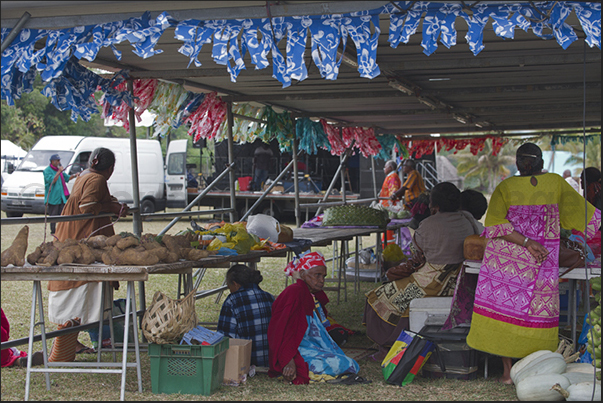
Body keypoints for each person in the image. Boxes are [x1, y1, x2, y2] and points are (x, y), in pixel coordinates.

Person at [466, 143, 601, 385]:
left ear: (517, 163)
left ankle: (508, 373)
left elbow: (494, 225)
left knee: (504, 313)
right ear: (541, 163)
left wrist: (525, 241)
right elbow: (583, 215)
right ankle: (532, 371)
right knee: (538, 316)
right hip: (542, 258)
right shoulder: (556, 183)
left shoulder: (506, 187)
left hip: (507, 260)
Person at [364, 182, 481, 361]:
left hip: (428, 283)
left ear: (434, 205)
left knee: (379, 296)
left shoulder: (427, 224)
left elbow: (417, 252)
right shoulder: (468, 221)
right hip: (459, 283)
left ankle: (388, 347)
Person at [49, 147, 129, 361]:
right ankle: (62, 350)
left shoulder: (85, 175)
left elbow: (93, 203)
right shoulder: (96, 179)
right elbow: (87, 206)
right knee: (76, 300)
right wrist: (110, 205)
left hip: (75, 242)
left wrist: (112, 205)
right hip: (80, 246)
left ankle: (65, 348)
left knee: (78, 300)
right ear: (110, 168)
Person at [268, 251, 360, 384]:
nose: (322, 280)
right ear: (303, 274)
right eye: (317, 275)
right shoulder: (293, 293)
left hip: (311, 348)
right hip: (295, 352)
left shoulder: (311, 295)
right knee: (341, 364)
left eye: (323, 276)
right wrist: (288, 360)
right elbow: (281, 331)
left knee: (350, 364)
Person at [217, 264, 275, 368]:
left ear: (235, 284)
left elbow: (225, 339)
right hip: (271, 361)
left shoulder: (232, 301)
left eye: (229, 287)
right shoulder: (270, 297)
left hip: (244, 363)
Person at [43, 153, 78, 234]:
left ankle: (63, 230)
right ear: (52, 161)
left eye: (59, 160)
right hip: (53, 197)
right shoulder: (47, 171)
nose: (59, 162)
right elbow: (53, 181)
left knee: (64, 213)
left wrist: (75, 175)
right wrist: (59, 171)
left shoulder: (60, 171)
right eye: (57, 160)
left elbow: (67, 178)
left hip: (62, 196)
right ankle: (53, 231)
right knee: (53, 215)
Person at [379, 160, 402, 241]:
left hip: (389, 208)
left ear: (390, 168)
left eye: (385, 167)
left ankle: (388, 245)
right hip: (387, 206)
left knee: (389, 229)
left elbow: (393, 191)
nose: (384, 169)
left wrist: (390, 207)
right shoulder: (390, 176)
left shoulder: (393, 176)